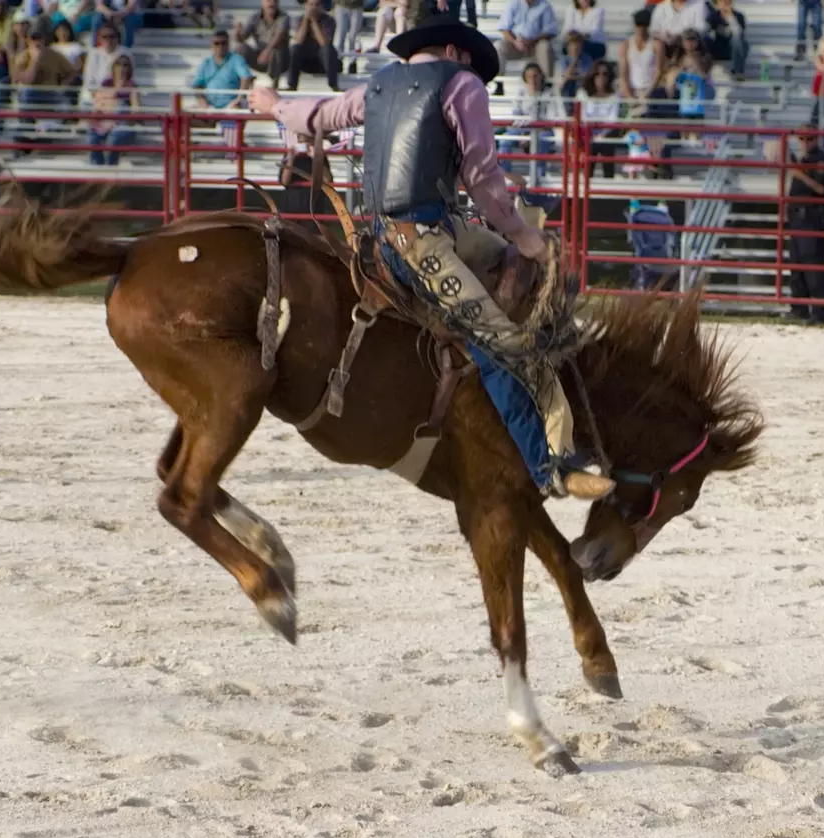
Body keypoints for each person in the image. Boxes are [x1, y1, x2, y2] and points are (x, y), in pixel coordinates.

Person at [249, 15, 610, 500]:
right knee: (498, 341)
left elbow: (321, 115)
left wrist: (274, 106)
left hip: (394, 232)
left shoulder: (378, 84)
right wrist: (522, 232)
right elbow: (481, 177)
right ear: (458, 52)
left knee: (507, 264)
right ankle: (549, 467)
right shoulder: (462, 86)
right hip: (422, 242)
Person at [786, 128, 824, 325]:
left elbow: (822, 190)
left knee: (813, 265)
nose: (805, 142)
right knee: (796, 265)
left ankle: (819, 311)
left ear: (816, 139)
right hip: (797, 217)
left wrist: (800, 174)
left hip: (811, 218)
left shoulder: (821, 160)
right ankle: (799, 308)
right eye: (802, 139)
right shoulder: (803, 160)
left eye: (809, 138)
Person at [497, 61, 559, 176]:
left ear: (541, 77)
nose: (532, 79)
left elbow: (551, 119)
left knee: (542, 140)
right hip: (522, 129)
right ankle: (505, 175)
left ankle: (539, 176)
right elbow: (516, 114)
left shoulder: (549, 94)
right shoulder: (521, 92)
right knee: (505, 140)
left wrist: (532, 133)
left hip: (542, 130)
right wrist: (524, 134)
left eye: (535, 76)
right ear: (525, 78)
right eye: (529, 76)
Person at [494, 0, 558, 93]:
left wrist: (534, 41)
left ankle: (547, 86)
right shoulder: (513, 4)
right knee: (498, 46)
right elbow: (504, 28)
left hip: (536, 44)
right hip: (515, 43)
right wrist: (515, 41)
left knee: (545, 47)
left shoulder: (545, 6)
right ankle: (499, 84)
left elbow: (550, 31)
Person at [88, 52, 139, 164]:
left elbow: (136, 109)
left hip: (123, 122)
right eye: (118, 64)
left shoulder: (132, 86)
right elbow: (98, 102)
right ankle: (97, 168)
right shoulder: (106, 83)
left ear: (129, 68)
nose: (121, 67)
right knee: (92, 137)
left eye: (125, 65)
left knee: (113, 139)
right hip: (104, 118)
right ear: (113, 67)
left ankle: (110, 168)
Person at [192, 29, 254, 109]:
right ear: (212, 45)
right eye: (217, 43)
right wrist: (202, 100)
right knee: (187, 117)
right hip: (209, 106)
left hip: (231, 105)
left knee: (236, 109)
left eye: (223, 43)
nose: (220, 46)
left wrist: (239, 99)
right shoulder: (206, 63)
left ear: (228, 44)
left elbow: (246, 78)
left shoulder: (236, 59)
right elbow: (197, 85)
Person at [234, 0, 290, 86]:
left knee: (276, 49)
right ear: (262, 3)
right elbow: (243, 38)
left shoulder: (284, 17)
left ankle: (275, 84)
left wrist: (267, 51)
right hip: (260, 57)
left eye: (274, 0)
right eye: (268, 0)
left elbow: (280, 35)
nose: (272, 3)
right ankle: (245, 78)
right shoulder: (255, 18)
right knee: (240, 48)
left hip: (280, 60)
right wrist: (237, 33)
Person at [286, 0, 339, 91]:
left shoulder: (329, 20)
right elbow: (298, 40)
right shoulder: (299, 19)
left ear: (321, 6)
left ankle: (333, 85)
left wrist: (314, 22)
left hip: (322, 62)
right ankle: (292, 85)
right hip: (305, 61)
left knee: (328, 49)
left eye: (317, 4)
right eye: (311, 4)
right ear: (306, 5)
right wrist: (306, 21)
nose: (313, 8)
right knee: (294, 48)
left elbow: (324, 43)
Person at [582, 61, 620, 178]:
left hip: (606, 134)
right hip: (587, 133)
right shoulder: (583, 94)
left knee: (607, 143)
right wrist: (593, 128)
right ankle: (586, 186)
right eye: (597, 74)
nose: (601, 77)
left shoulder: (614, 96)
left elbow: (613, 119)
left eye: (605, 74)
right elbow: (583, 117)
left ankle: (609, 185)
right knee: (591, 146)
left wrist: (601, 133)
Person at [618, 8, 661, 103]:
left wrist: (647, 93)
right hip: (631, 90)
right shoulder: (625, 45)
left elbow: (659, 71)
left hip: (650, 91)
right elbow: (623, 73)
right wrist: (629, 96)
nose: (641, 28)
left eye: (644, 25)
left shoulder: (656, 45)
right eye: (638, 24)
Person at [82, 22, 130, 104]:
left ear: (117, 37)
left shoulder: (125, 53)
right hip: (96, 94)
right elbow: (88, 79)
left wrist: (112, 93)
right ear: (99, 38)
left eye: (112, 36)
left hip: (118, 94)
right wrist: (98, 93)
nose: (108, 40)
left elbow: (129, 77)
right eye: (105, 37)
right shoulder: (94, 53)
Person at [706, 0, 747, 81]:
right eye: (722, 2)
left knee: (739, 41)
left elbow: (739, 33)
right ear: (717, 4)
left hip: (733, 50)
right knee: (705, 39)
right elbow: (707, 30)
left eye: (727, 1)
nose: (725, 4)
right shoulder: (714, 16)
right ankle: (704, 72)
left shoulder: (739, 16)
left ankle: (738, 72)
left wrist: (730, 17)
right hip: (718, 48)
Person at [561, 0, 605, 67]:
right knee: (574, 45)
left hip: (594, 43)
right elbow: (567, 29)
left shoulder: (598, 10)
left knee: (575, 46)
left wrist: (578, 35)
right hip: (574, 41)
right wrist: (577, 36)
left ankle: (571, 70)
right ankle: (574, 70)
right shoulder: (571, 9)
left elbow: (595, 31)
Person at [332, 0, 363, 74]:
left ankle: (352, 62)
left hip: (357, 5)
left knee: (354, 36)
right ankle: (338, 60)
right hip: (341, 4)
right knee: (340, 35)